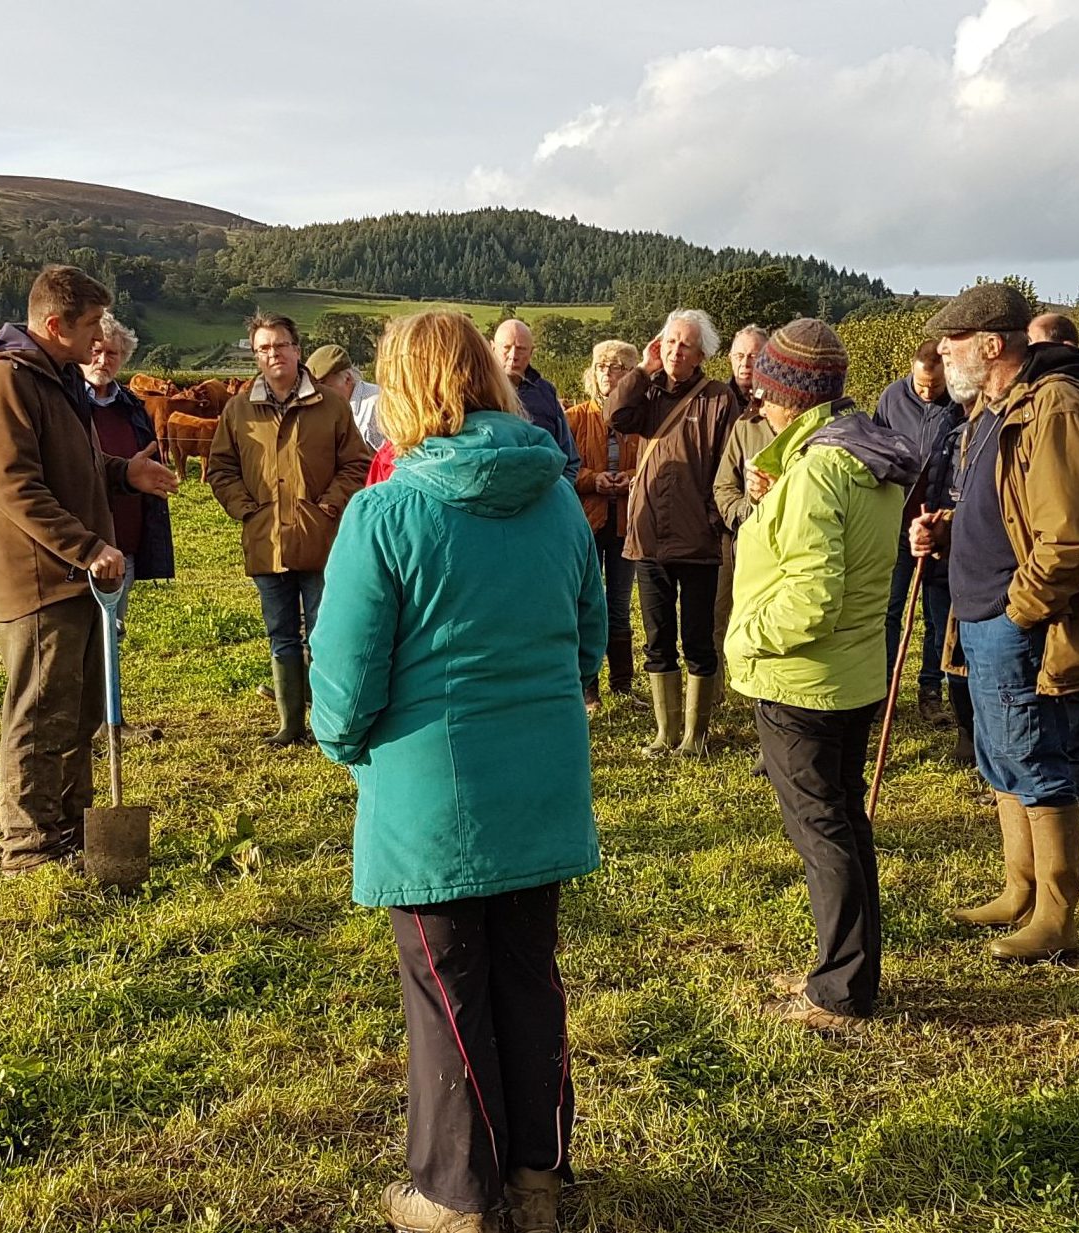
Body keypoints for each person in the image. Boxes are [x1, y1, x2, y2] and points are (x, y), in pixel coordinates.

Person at [309, 311, 604, 1233]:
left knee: (446, 996)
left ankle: (453, 1194)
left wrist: (341, 742)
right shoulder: (556, 496)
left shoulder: (387, 509)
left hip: (432, 797)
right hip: (543, 784)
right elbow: (590, 636)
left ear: (401, 388)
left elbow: (347, 677)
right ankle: (535, 1176)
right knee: (529, 980)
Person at [725, 319, 918, 1033]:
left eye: (764, 389)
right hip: (851, 671)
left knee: (821, 833)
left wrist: (743, 635)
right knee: (843, 823)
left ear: (784, 394)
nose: (759, 402)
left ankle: (840, 987)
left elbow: (811, 595)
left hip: (799, 680)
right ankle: (850, 967)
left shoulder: (815, 473)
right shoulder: (859, 458)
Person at [909, 282, 1079, 963]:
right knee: (1000, 757)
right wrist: (949, 525)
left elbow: (1068, 534)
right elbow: (1004, 507)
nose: (941, 355)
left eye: (952, 343)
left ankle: (1055, 912)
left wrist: (1020, 609)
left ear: (992, 345)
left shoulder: (1050, 408)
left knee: (1035, 757)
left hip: (1014, 620)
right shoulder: (988, 412)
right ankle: (1017, 889)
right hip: (980, 618)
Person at [0, 265, 179, 877]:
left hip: (79, 582)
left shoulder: (58, 379)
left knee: (82, 711)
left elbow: (75, 462)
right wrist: (87, 546)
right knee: (40, 714)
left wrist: (122, 473)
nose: (99, 339)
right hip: (40, 584)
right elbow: (14, 485)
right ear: (55, 324)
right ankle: (30, 849)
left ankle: (74, 830)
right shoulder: (7, 381)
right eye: (90, 325)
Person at [207, 313, 372, 747]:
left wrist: (330, 504)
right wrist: (246, 510)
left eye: (280, 345)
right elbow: (221, 468)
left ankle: (327, 721)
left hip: (319, 539)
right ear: (255, 356)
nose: (273, 354)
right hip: (267, 542)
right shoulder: (238, 410)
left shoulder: (330, 405)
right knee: (281, 632)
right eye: (263, 348)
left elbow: (357, 463)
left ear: (297, 350)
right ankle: (290, 725)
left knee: (323, 632)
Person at [609, 309, 745, 757]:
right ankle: (665, 734)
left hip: (699, 543)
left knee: (699, 640)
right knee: (658, 637)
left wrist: (712, 519)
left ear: (702, 352)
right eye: (668, 342)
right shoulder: (647, 392)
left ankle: (695, 737)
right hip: (648, 538)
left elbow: (730, 467)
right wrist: (642, 368)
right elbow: (617, 415)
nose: (674, 351)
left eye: (684, 344)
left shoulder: (719, 398)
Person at [869, 341, 963, 725]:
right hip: (897, 523)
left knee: (938, 615)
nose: (927, 393)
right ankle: (882, 692)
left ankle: (931, 692)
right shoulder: (891, 398)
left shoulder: (960, 404)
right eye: (921, 385)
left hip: (941, 527)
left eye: (935, 387)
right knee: (889, 609)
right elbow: (874, 451)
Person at [81, 311, 176, 653]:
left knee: (112, 632)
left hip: (125, 539)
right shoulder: (65, 405)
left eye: (112, 353)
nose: (102, 360)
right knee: (79, 637)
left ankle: (108, 706)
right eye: (95, 350)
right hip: (79, 542)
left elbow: (146, 464)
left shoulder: (133, 408)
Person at [566, 340, 645, 709]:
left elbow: (653, 461)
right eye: (601, 367)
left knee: (618, 604)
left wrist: (629, 477)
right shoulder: (576, 417)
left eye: (617, 369)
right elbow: (563, 464)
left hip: (626, 523)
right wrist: (591, 480)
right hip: (586, 521)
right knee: (587, 602)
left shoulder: (642, 420)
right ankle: (588, 688)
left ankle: (624, 686)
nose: (607, 375)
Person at [714, 324, 773, 656]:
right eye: (739, 355)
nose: (746, 363)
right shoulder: (714, 399)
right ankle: (716, 692)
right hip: (725, 520)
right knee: (718, 609)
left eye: (754, 355)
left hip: (769, 527)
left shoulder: (784, 407)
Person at [491, 319, 583, 482]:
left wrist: (557, 494)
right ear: (492, 348)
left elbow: (568, 459)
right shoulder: (477, 391)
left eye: (521, 349)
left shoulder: (546, 393)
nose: (513, 356)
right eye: (506, 348)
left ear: (531, 352)